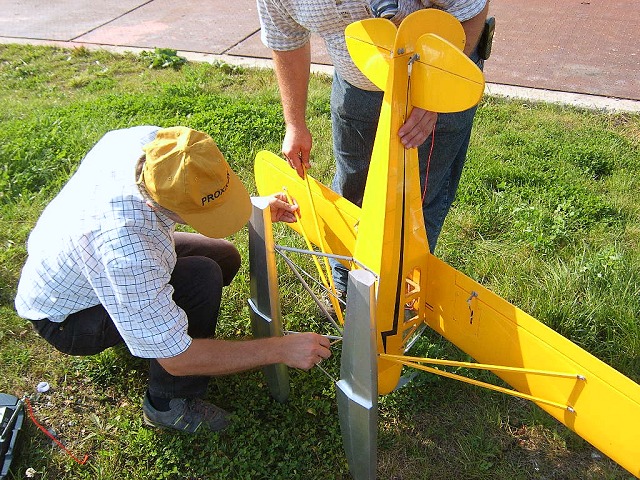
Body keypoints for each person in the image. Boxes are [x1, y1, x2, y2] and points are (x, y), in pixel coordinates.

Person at [14, 126, 331, 433]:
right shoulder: (127, 250)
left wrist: (238, 205)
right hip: (70, 317)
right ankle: (166, 404)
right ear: (156, 203)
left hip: (82, 262)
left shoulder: (159, 147)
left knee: (223, 257)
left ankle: (144, 329)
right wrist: (280, 350)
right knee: (201, 277)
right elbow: (180, 359)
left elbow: (191, 186)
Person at [257, 0, 490, 297]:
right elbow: (286, 39)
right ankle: (347, 289)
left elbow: (470, 10)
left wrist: (432, 94)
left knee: (415, 200)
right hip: (357, 81)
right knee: (353, 188)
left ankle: (398, 302)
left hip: (436, 77)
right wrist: (295, 124)